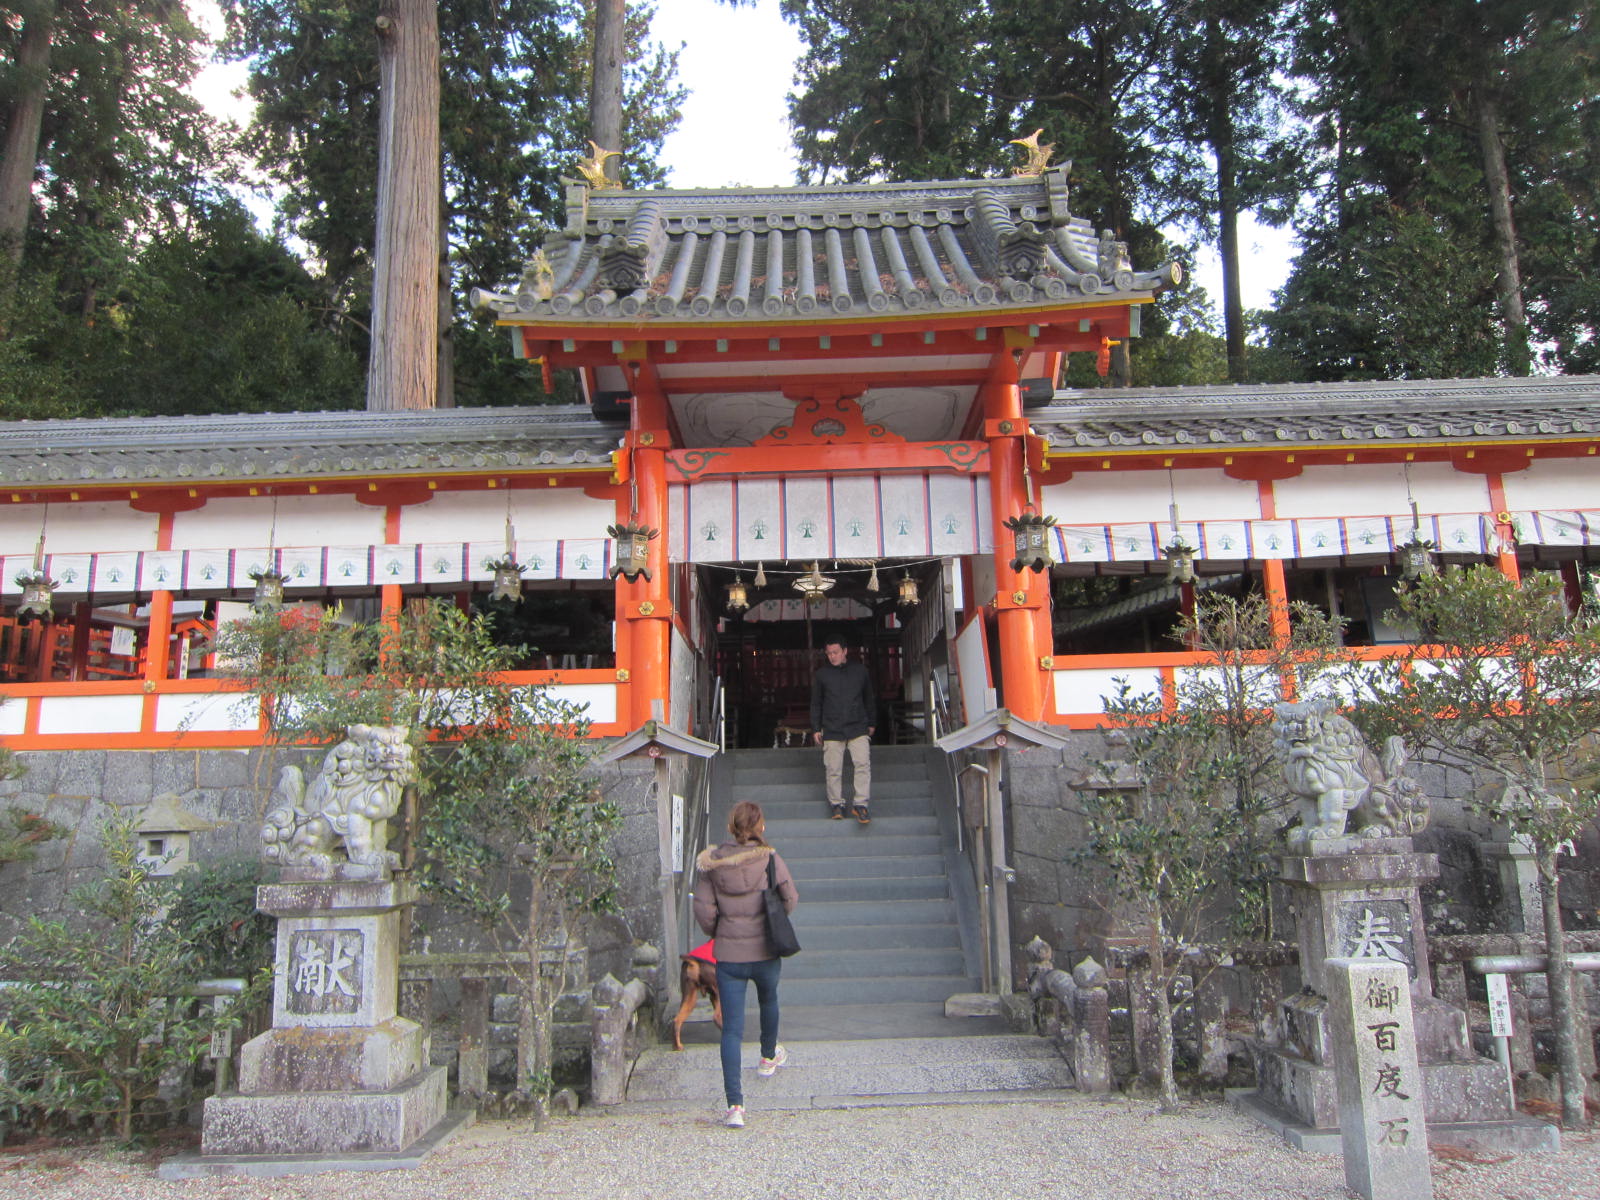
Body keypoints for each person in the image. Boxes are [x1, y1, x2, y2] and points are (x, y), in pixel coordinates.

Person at [693, 800, 798, 1128]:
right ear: (760, 827)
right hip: (765, 950)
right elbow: (790, 898)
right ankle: (768, 1057)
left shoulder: (713, 864)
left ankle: (735, 1106)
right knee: (769, 1000)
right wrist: (774, 920)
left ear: (731, 828)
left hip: (729, 956)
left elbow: (703, 909)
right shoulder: (770, 858)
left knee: (732, 1030)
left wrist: (718, 931)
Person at [810, 637, 875, 822]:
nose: (832, 656)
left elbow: (868, 698)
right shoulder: (822, 675)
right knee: (833, 768)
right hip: (831, 727)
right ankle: (836, 804)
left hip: (858, 725)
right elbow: (816, 703)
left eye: (835, 652)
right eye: (829, 653)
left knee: (862, 764)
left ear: (845, 651)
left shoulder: (860, 671)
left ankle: (861, 804)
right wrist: (816, 727)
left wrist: (872, 722)